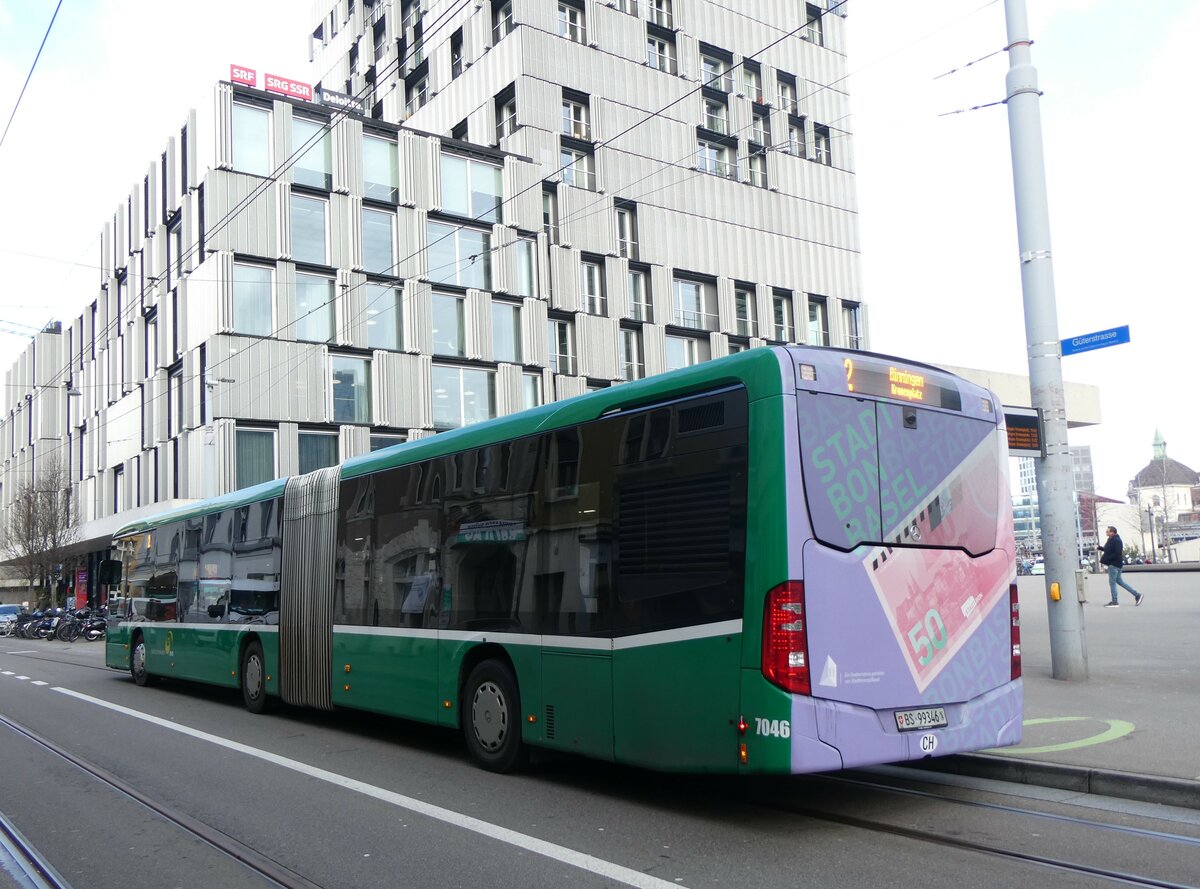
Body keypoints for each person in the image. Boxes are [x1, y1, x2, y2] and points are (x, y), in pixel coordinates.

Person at [1097, 526, 1143, 608]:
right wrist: (1100, 548)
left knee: (1112, 583)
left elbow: (1117, 553)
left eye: (1107, 531)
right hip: (1116, 564)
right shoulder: (1112, 540)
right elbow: (1109, 550)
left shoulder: (1116, 540)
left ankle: (1115, 602)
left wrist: (1107, 559)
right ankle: (1137, 595)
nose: (1106, 533)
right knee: (1119, 581)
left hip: (1114, 565)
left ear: (1112, 532)